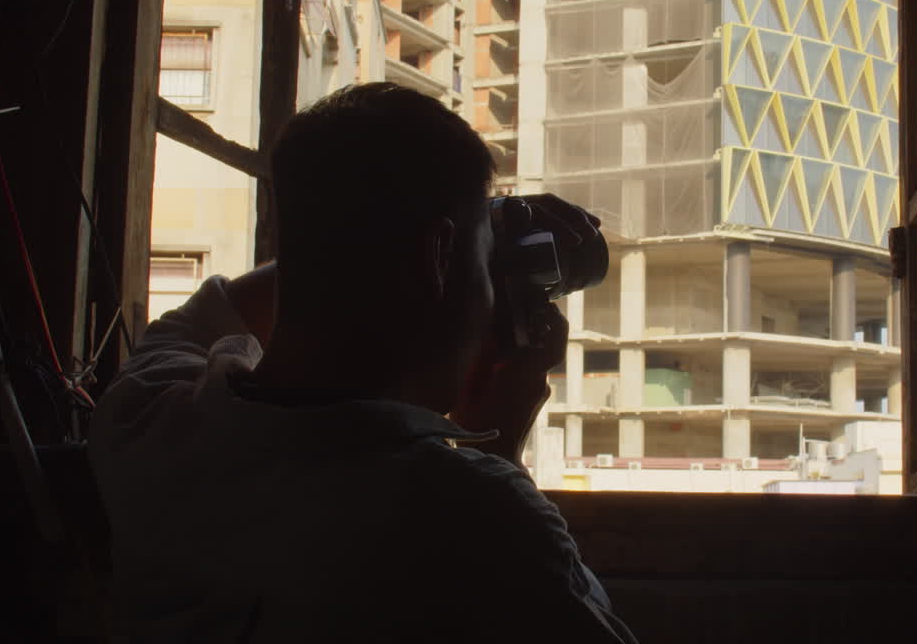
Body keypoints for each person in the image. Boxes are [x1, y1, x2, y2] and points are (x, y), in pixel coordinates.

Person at [88, 83, 638, 643]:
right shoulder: (475, 518)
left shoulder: (145, 420)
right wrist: (498, 450)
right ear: (440, 257)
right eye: (482, 259)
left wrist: (453, 224)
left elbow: (236, 300)